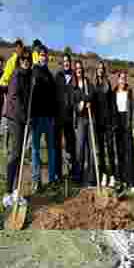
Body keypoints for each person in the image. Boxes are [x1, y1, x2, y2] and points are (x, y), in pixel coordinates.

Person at [2, 51, 33, 208]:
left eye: (28, 59)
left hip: (23, 118)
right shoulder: (17, 74)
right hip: (15, 118)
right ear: (19, 60)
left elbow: (28, 98)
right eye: (23, 59)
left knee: (20, 155)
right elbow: (14, 97)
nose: (26, 61)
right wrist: (24, 116)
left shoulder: (28, 76)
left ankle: (16, 190)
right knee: (15, 154)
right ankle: (7, 193)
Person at [29, 45, 57, 189]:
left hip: (49, 118)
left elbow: (54, 97)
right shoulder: (33, 72)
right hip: (36, 117)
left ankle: (52, 178)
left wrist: (54, 116)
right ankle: (36, 180)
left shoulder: (50, 75)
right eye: (41, 55)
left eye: (45, 55)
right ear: (37, 56)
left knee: (51, 149)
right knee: (35, 149)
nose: (44, 57)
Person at [72, 60, 97, 186]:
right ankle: (78, 177)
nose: (79, 70)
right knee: (80, 149)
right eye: (77, 69)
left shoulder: (88, 83)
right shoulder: (74, 86)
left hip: (91, 118)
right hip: (81, 120)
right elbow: (73, 103)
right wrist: (79, 106)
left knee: (92, 149)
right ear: (75, 71)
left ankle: (92, 178)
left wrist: (86, 100)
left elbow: (92, 95)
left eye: (80, 68)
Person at [93, 62, 116, 187]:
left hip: (108, 122)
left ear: (104, 71)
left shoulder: (108, 84)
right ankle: (104, 175)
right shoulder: (94, 85)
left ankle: (112, 175)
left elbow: (112, 103)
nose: (100, 70)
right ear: (96, 70)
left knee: (110, 150)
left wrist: (112, 121)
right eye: (98, 68)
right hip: (98, 123)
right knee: (100, 151)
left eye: (102, 69)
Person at [54, 53, 76, 181]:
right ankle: (58, 173)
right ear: (62, 64)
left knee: (70, 145)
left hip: (70, 117)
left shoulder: (74, 77)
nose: (66, 63)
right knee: (57, 145)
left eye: (68, 61)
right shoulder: (58, 76)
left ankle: (72, 170)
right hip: (59, 116)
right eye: (64, 61)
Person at [113, 71, 134, 191]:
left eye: (124, 78)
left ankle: (131, 181)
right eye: (121, 78)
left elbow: (131, 109)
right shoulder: (114, 92)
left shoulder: (129, 92)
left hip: (127, 122)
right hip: (118, 125)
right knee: (120, 153)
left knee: (129, 153)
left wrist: (132, 126)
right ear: (118, 80)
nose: (122, 80)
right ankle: (121, 180)